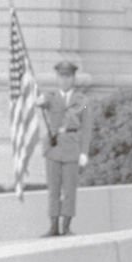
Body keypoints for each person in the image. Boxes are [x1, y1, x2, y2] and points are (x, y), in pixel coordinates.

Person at [35, 59, 93, 236]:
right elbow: (41, 103)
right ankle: (53, 226)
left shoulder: (82, 100)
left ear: (73, 78)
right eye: (61, 76)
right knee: (53, 188)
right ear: (57, 78)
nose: (65, 80)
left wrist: (84, 151)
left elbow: (87, 127)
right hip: (53, 147)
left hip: (71, 148)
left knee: (69, 189)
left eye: (68, 76)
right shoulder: (50, 98)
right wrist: (38, 101)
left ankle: (66, 226)